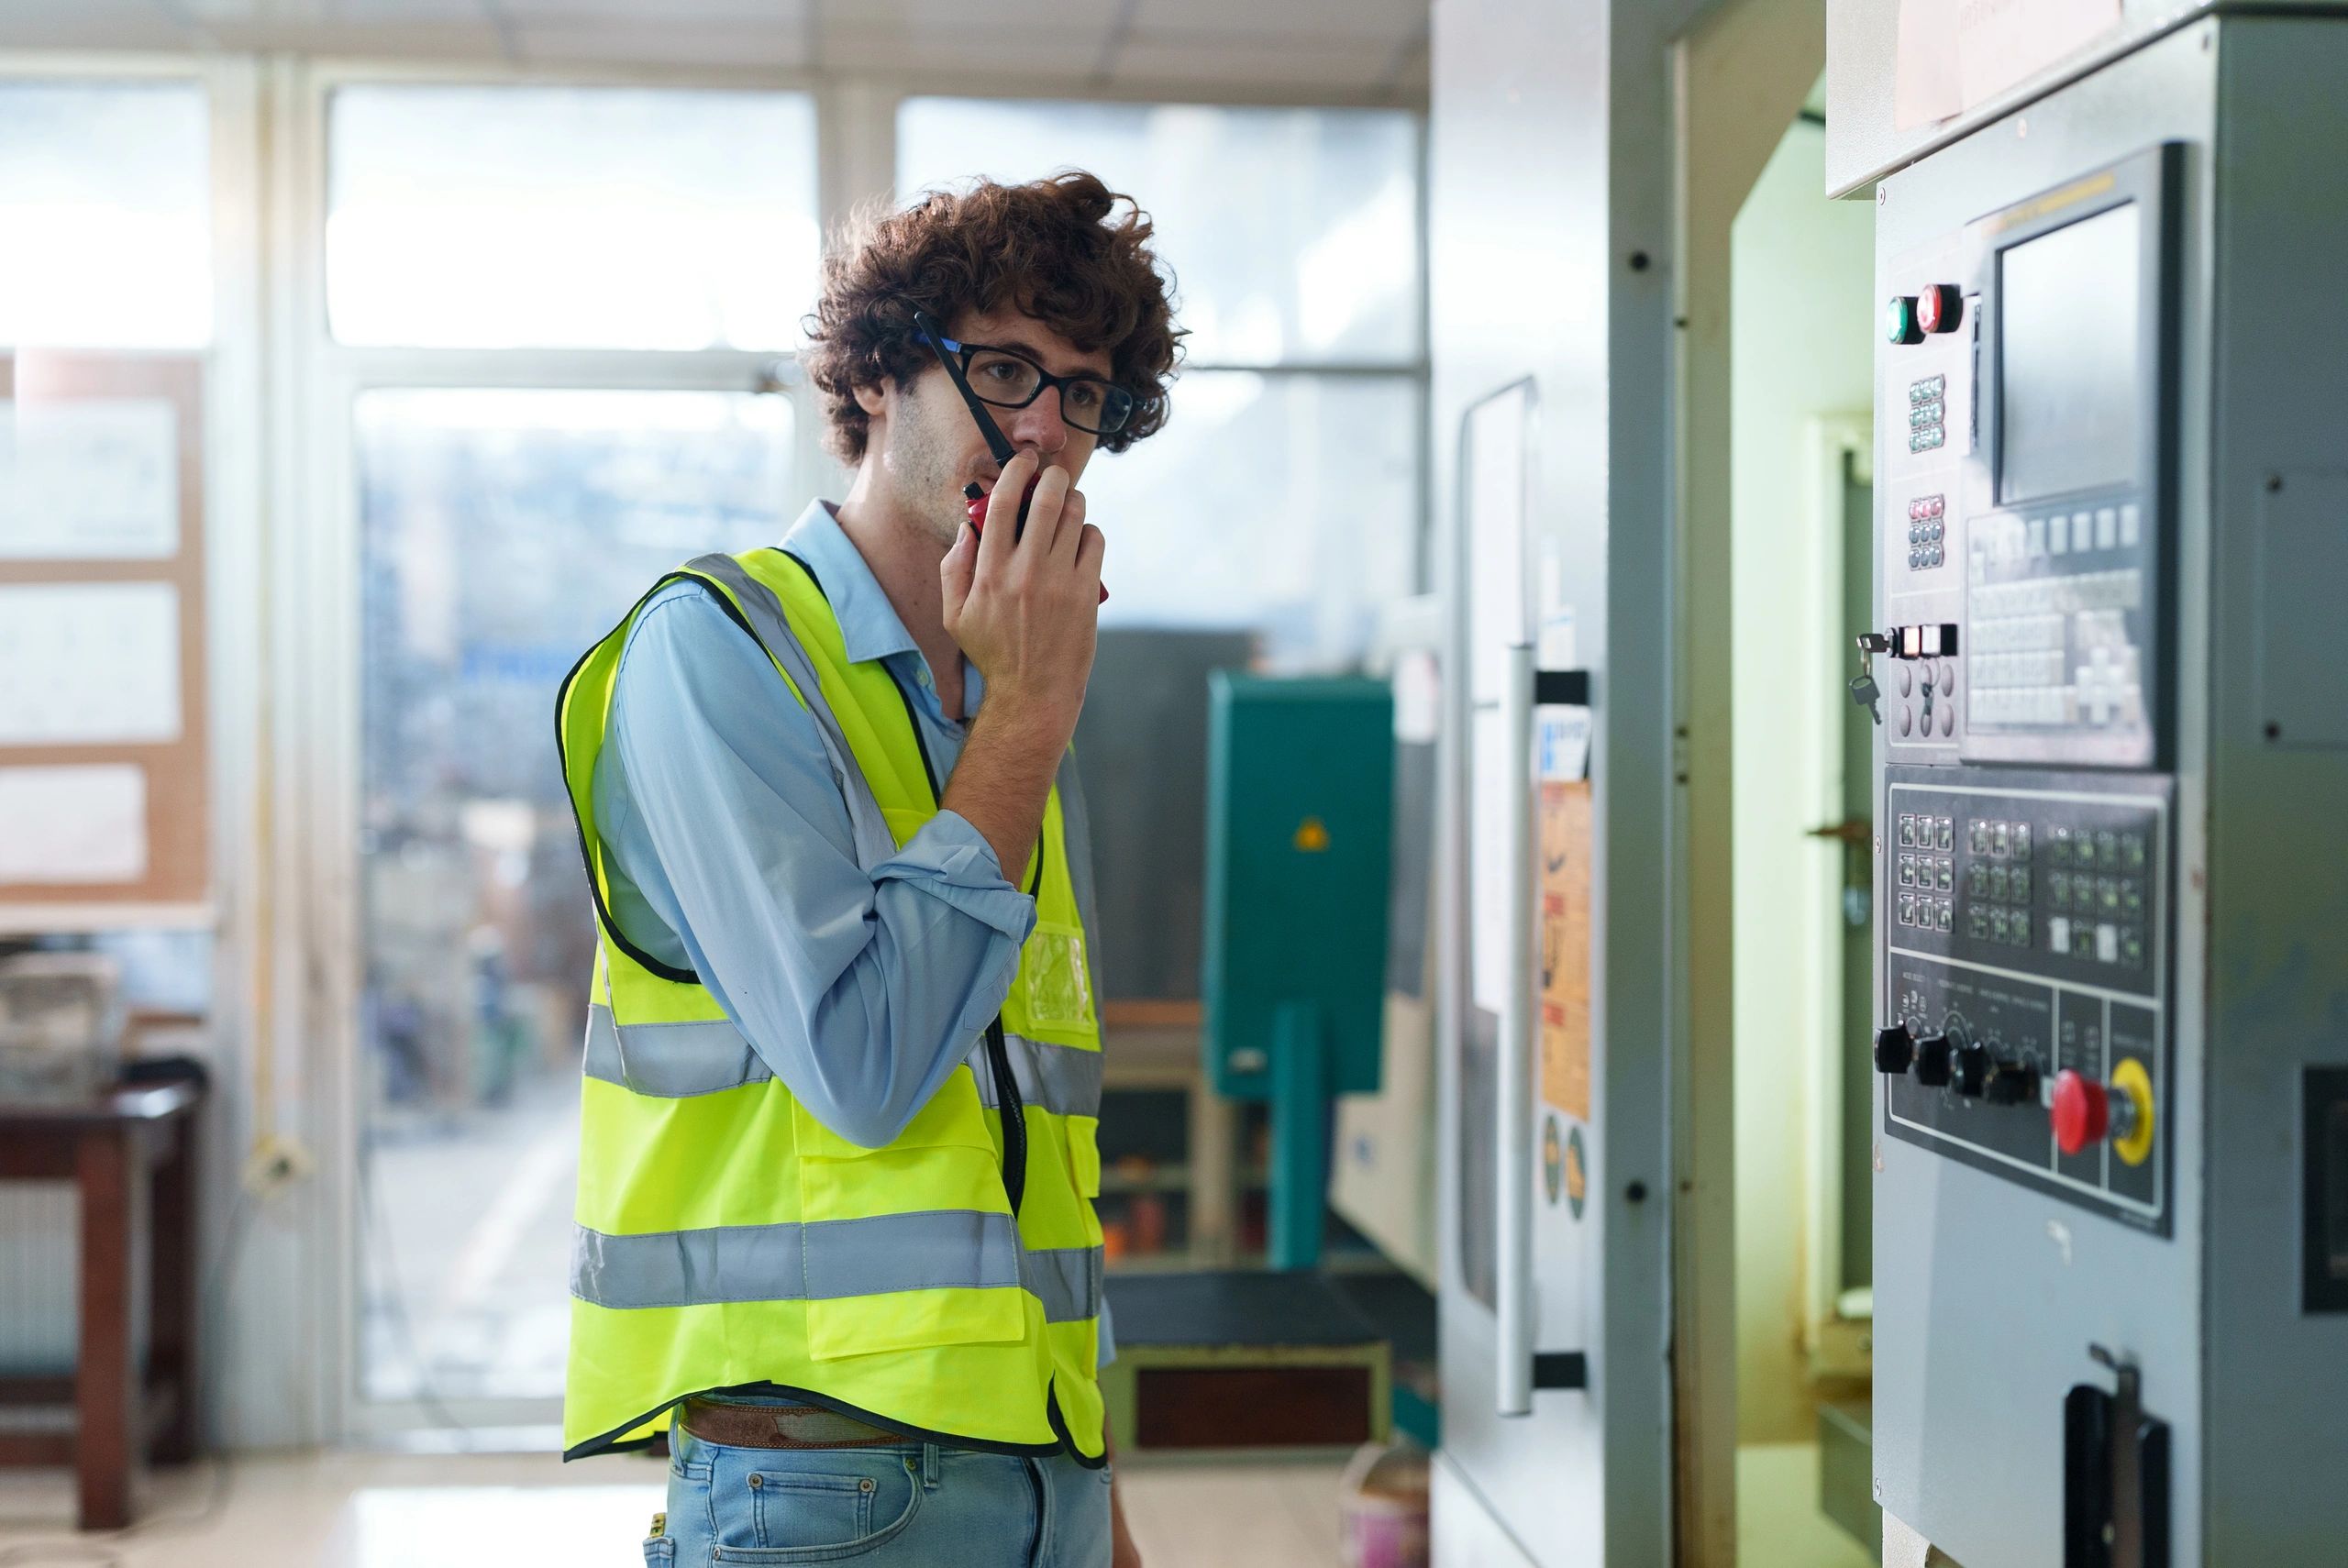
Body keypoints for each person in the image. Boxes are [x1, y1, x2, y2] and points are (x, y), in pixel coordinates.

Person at [553, 171, 1179, 1568]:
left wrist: (1101, 1501)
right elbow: (866, 1063)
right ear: (882, 376)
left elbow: (1029, 1171)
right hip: (830, 1496)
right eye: (1006, 369)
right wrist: (1027, 719)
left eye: (1086, 395)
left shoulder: (1000, 698)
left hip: (1041, 1476)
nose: (1044, 433)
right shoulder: (720, 651)